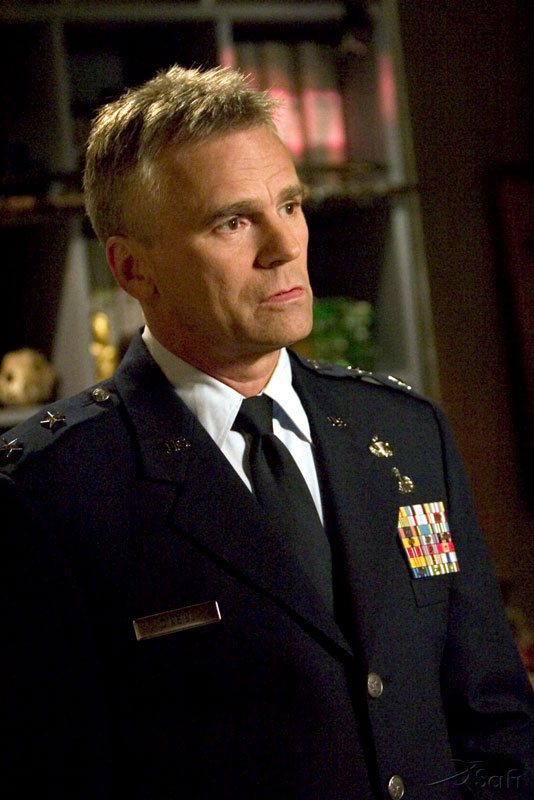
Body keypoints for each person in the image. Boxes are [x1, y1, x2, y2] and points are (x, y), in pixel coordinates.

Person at [1, 65, 533, 800]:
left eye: (290, 205)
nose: (285, 246)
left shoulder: (406, 432)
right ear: (132, 268)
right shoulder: (51, 490)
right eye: (233, 221)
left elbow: (497, 724)